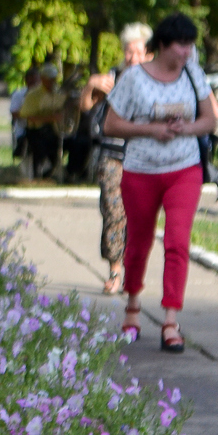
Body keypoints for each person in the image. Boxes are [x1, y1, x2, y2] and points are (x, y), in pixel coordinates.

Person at [102, 12, 215, 354]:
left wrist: (186, 128)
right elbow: (111, 124)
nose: (187, 51)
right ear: (163, 44)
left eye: (190, 45)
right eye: (181, 44)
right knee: (138, 244)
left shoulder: (193, 73)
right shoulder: (134, 78)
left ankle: (170, 321)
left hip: (184, 170)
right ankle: (132, 308)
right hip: (141, 172)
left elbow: (209, 120)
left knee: (177, 242)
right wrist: (151, 130)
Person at [78, 23, 152, 294]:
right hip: (111, 156)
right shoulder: (112, 77)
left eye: (139, 52)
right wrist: (90, 85)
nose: (133, 57)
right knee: (113, 213)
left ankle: (133, 273)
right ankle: (115, 270)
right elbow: (86, 106)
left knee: (139, 217)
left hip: (142, 158)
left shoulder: (155, 81)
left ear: (149, 54)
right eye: (129, 51)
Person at [18, 63, 67, 177]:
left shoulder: (58, 92)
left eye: (53, 78)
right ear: (43, 78)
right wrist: (49, 118)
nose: (52, 81)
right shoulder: (33, 94)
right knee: (39, 147)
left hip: (54, 131)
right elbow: (26, 115)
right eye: (49, 79)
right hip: (36, 131)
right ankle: (38, 174)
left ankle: (54, 173)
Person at [10, 66, 39, 157]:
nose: (33, 83)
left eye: (35, 81)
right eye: (31, 81)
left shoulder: (44, 95)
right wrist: (29, 115)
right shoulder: (19, 94)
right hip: (24, 129)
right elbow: (14, 113)